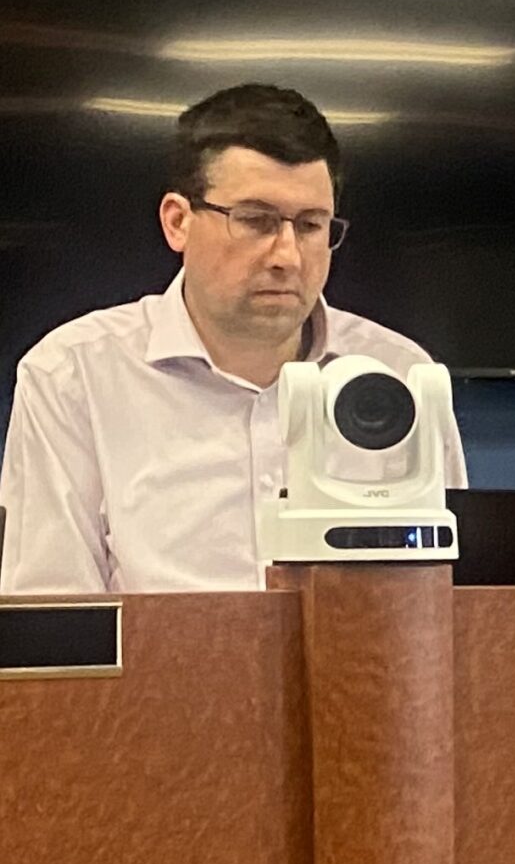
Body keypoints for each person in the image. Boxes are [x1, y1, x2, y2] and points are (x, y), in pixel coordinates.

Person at [0, 85, 463, 594]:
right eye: (256, 221)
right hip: (164, 672)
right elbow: (52, 620)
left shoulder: (397, 374)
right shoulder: (74, 375)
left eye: (310, 225)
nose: (287, 255)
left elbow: (452, 598)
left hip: (361, 669)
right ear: (178, 222)